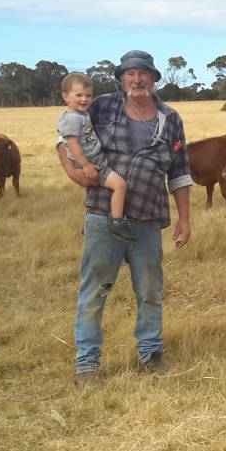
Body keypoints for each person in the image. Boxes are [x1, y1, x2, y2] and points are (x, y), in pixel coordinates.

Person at [56, 50, 193, 389]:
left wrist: (185, 218)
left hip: (148, 216)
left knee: (150, 291)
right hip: (103, 215)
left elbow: (180, 172)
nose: (137, 79)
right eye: (130, 74)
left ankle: (151, 355)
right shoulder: (101, 106)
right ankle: (87, 365)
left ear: (154, 78)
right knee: (95, 290)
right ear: (121, 78)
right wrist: (73, 173)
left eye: (143, 74)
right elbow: (65, 139)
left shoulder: (170, 118)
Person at [56, 72, 136, 241]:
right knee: (120, 186)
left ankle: (93, 225)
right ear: (65, 96)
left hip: (96, 160)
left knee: (114, 187)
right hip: (92, 163)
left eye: (88, 96)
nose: (84, 99)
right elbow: (73, 145)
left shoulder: (82, 114)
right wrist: (85, 166)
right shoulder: (71, 118)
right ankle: (116, 222)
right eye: (78, 95)